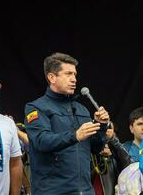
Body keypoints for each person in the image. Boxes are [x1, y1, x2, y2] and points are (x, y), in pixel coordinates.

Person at [24, 52, 110, 195]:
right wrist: (75, 136)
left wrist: (100, 126)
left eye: (75, 75)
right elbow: (41, 141)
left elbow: (95, 148)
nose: (74, 79)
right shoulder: (36, 107)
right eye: (68, 74)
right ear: (52, 77)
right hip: (53, 191)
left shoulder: (82, 109)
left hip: (85, 190)